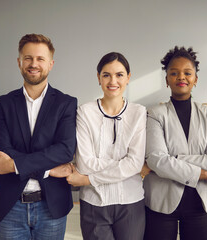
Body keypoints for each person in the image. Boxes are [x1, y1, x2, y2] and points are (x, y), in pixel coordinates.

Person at [0, 33, 77, 240]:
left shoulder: (66, 103)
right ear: (19, 62)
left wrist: (13, 165)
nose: (33, 64)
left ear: (51, 64)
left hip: (51, 206)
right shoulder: (3, 103)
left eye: (40, 59)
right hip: (10, 206)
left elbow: (64, 149)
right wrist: (48, 166)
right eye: (28, 58)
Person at [143, 46, 207, 240]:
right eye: (174, 73)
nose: (181, 77)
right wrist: (204, 173)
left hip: (201, 202)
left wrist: (174, 159)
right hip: (161, 202)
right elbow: (155, 160)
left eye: (187, 73)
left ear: (195, 79)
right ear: (167, 80)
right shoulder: (154, 113)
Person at [65, 52, 146, 240]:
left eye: (119, 75)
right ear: (98, 78)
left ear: (128, 77)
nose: (113, 81)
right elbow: (85, 164)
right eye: (106, 75)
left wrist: (88, 180)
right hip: (94, 203)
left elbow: (135, 163)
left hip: (131, 202)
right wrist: (123, 165)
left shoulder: (139, 112)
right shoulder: (85, 112)